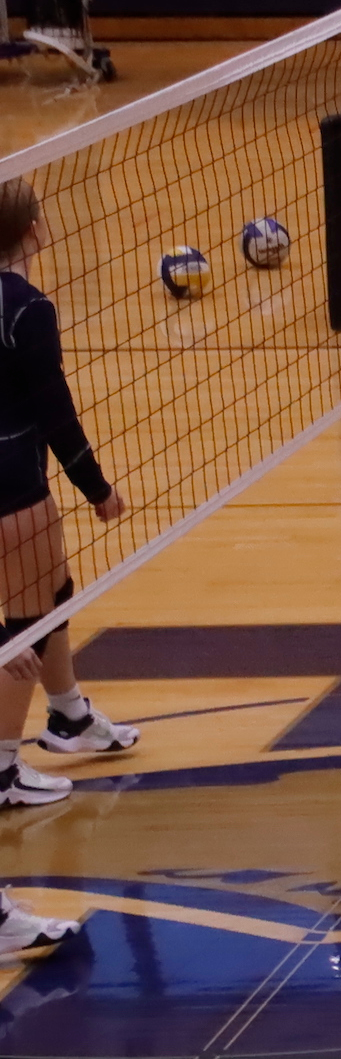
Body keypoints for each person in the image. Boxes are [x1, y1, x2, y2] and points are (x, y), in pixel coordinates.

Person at [0, 179, 137, 825]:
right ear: (34, 231)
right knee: (24, 628)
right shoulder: (28, 308)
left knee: (55, 592)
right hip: (11, 486)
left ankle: (69, 716)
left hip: (12, 477)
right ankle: (3, 770)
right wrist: (98, 490)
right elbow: (57, 415)